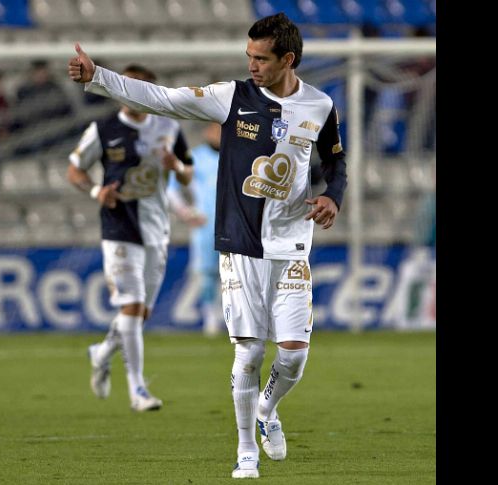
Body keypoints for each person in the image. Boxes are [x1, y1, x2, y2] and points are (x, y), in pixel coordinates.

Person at [68, 12, 347, 479]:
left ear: (288, 59)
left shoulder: (320, 106)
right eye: (248, 56)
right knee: (250, 352)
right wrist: (99, 76)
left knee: (294, 356)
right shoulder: (230, 98)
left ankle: (267, 410)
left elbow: (335, 162)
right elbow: (161, 98)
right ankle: (245, 452)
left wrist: (332, 198)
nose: (252, 65)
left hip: (293, 246)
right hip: (240, 247)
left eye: (261, 58)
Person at [66, 64, 195, 413]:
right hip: (118, 225)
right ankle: (138, 389)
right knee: (131, 305)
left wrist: (176, 167)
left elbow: (188, 173)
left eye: (142, 88)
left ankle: (103, 351)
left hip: (156, 227)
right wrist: (95, 191)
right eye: (128, 87)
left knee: (139, 314)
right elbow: (74, 168)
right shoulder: (104, 128)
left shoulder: (169, 125)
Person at [167, 122, 222, 337]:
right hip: (206, 224)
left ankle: (237, 319)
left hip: (236, 224)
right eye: (216, 129)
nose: (219, 134)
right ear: (207, 131)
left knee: (240, 275)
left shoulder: (237, 155)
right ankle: (211, 318)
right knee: (207, 273)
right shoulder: (193, 157)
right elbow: (172, 188)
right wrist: (186, 212)